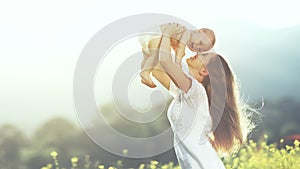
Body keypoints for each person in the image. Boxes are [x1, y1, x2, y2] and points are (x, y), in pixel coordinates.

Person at [149, 26, 255, 168]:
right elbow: (156, 69)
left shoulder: (196, 92)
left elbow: (165, 62)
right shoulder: (189, 93)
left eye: (204, 55)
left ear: (205, 70)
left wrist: (168, 32)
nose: (198, 52)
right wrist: (173, 45)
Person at [139, 23, 215, 88]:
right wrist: (178, 63)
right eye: (200, 43)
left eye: (199, 49)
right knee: (156, 55)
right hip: (155, 33)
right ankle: (145, 72)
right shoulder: (187, 33)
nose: (196, 47)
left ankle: (144, 71)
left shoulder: (190, 86)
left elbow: (162, 64)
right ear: (199, 31)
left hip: (151, 36)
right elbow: (180, 49)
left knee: (150, 56)